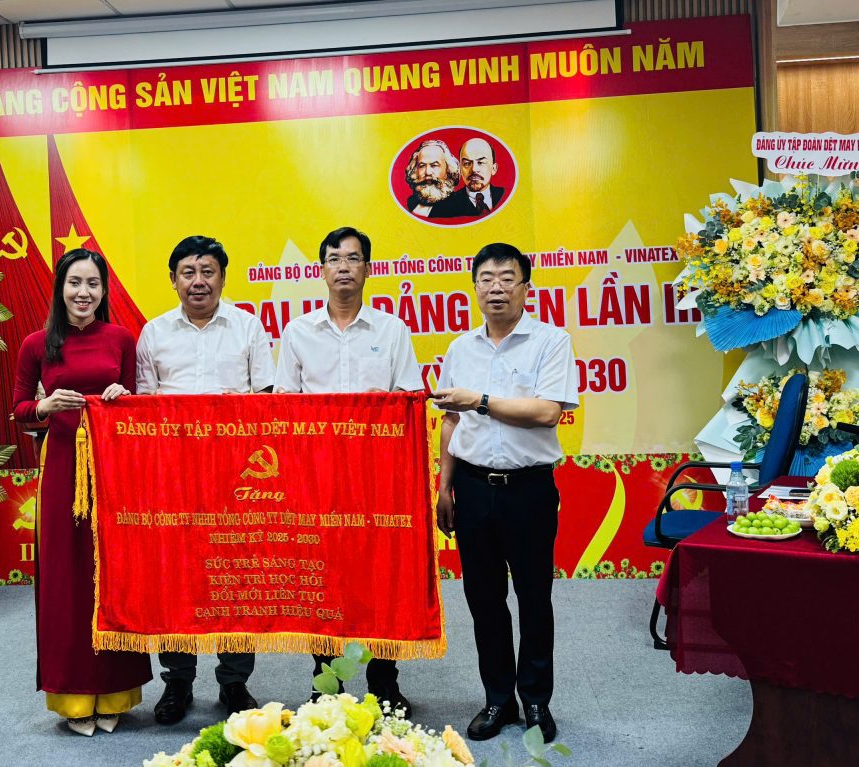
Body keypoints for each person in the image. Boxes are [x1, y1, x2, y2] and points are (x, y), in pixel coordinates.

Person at [431, 243, 578, 744]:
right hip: (472, 488)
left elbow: (547, 412)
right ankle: (497, 698)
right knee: (484, 599)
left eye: (507, 278)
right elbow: (450, 421)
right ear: (474, 287)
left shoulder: (550, 341)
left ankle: (535, 698)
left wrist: (481, 400)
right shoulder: (460, 348)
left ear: (526, 288)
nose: (496, 288)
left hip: (528, 490)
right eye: (486, 279)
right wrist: (444, 485)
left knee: (534, 597)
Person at [275, 226, 422, 716]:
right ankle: (326, 684)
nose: (343, 267)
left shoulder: (391, 330)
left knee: (381, 577)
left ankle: (385, 682)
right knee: (323, 579)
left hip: (378, 475)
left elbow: (408, 400)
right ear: (322, 270)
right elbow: (284, 408)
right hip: (316, 476)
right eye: (334, 258)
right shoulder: (298, 332)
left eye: (353, 258)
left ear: (368, 269)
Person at [136, 235, 275, 725]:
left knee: (235, 576)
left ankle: (234, 681)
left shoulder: (248, 327)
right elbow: (143, 410)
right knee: (176, 578)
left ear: (222, 277)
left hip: (235, 476)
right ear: (173, 279)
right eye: (188, 272)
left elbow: (267, 402)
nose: (198, 281)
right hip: (173, 477)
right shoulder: (153, 333)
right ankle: (177, 680)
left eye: (208, 271)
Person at [12, 248, 151, 737]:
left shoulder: (121, 338)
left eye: (93, 284)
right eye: (75, 283)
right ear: (60, 288)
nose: (84, 293)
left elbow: (137, 402)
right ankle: (72, 696)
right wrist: (45, 405)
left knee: (111, 576)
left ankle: (115, 692)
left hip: (112, 470)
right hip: (61, 467)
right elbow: (19, 409)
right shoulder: (36, 344)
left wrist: (123, 397)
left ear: (103, 290)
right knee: (66, 579)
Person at [429, 137, 506, 218]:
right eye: (467, 163)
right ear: (460, 169)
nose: (474, 169)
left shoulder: (505, 196)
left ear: (494, 169)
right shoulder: (443, 207)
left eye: (480, 162)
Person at [403, 139, 460, 217]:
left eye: (434, 165)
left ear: (448, 170)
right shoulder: (411, 203)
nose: (428, 172)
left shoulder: (458, 206)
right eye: (422, 166)